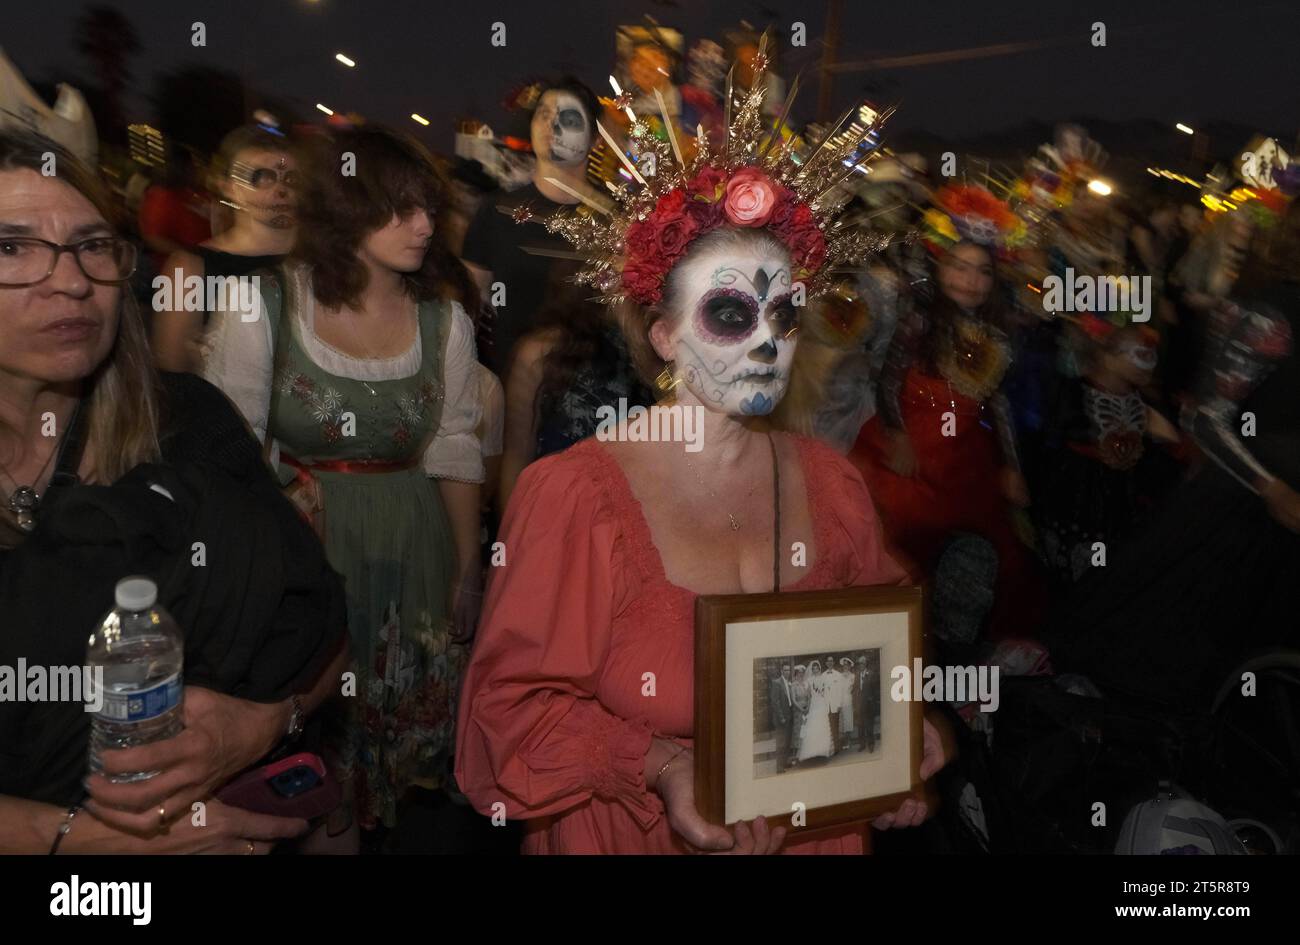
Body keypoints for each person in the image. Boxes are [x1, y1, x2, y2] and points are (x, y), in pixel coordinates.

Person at [456, 83, 951, 851]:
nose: (767, 342)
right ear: (661, 335)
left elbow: (878, 648)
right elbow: (506, 716)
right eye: (730, 313)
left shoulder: (832, 482)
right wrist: (657, 765)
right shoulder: (575, 497)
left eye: (784, 312)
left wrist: (899, 733)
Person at [0, 130, 346, 853]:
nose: (71, 280)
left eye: (92, 244)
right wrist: (67, 841)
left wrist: (258, 724)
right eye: (12, 249)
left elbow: (322, 635)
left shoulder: (187, 422)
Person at [202, 127, 484, 836]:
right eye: (399, 208)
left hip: (413, 552)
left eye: (429, 208)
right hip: (306, 560)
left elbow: (453, 449)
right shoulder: (261, 308)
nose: (425, 226)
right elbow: (227, 458)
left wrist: (468, 568)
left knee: (397, 771)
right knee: (318, 769)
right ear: (342, 210)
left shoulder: (444, 321)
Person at [1047, 199, 1300, 711]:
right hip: (1245, 511)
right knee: (1177, 654)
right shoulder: (1271, 314)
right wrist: (1270, 488)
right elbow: (1207, 418)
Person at [850, 186, 1043, 639]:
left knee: (990, 550)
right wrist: (896, 434)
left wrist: (1011, 466)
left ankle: (953, 641)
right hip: (911, 444)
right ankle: (896, 637)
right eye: (959, 266)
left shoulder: (995, 330)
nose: (970, 280)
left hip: (965, 455)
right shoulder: (918, 319)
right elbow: (889, 379)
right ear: (940, 266)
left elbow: (996, 400)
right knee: (902, 536)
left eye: (982, 272)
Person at [460, 78, 604, 375]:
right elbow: (466, 306)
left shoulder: (616, 217)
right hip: (510, 384)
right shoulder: (496, 211)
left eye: (568, 118)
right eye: (543, 114)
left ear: (595, 139)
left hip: (597, 396)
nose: (551, 126)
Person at [151, 126, 298, 373]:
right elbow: (172, 369)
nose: (280, 189)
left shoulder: (324, 260)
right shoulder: (188, 270)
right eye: (261, 177)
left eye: (291, 178)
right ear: (228, 187)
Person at [797, 661, 835, 764]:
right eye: (813, 669)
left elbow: (827, 692)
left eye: (816, 668)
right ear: (812, 670)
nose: (815, 670)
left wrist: (827, 703)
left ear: (819, 668)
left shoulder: (823, 678)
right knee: (813, 727)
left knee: (822, 727)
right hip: (814, 705)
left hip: (822, 704)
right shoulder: (809, 680)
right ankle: (812, 752)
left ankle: (823, 752)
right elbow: (808, 694)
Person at [768, 664, 795, 774]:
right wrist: (781, 717)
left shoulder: (789, 683)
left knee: (787, 741)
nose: (787, 672)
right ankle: (779, 766)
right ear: (781, 671)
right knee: (781, 743)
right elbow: (775, 702)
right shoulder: (776, 683)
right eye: (785, 670)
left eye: (788, 670)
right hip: (781, 718)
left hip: (789, 716)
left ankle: (785, 762)